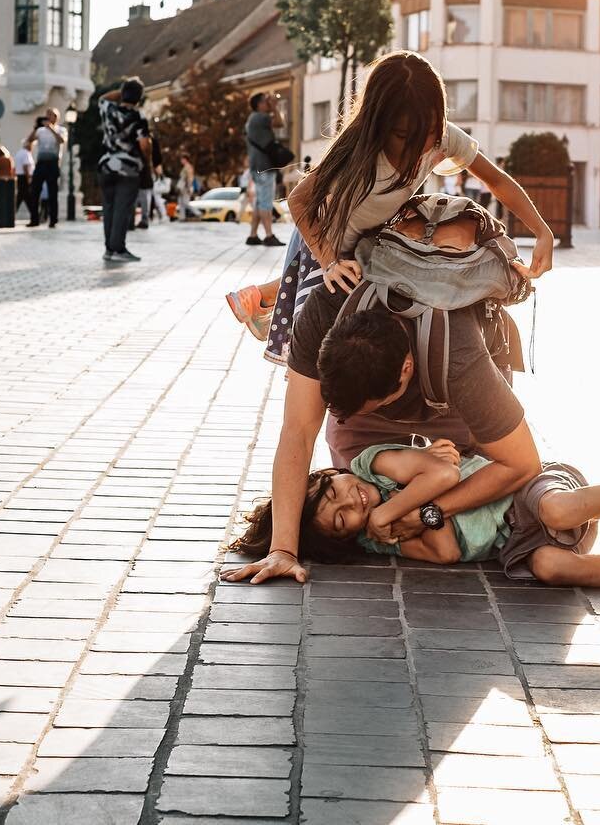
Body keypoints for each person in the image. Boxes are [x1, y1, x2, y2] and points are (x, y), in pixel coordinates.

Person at [221, 50, 556, 586]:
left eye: (427, 135)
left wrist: (541, 230)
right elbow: (298, 427)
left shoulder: (456, 344)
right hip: (336, 252)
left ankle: (276, 301)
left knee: (469, 460)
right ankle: (269, 305)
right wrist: (285, 547)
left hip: (393, 263)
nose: (421, 148)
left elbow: (497, 180)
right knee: (315, 299)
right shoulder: (356, 155)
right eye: (406, 136)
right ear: (379, 126)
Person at [231, 439, 600, 598]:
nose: (351, 504)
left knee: (556, 507)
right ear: (340, 542)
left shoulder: (373, 463)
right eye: (338, 521)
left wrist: (398, 511)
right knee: (547, 568)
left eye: (335, 493)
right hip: (515, 545)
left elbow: (445, 477)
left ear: (327, 475)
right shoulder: (376, 545)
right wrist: (396, 532)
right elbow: (448, 552)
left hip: (530, 487)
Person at [97, 77, 151, 263]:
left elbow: (103, 97)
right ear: (139, 98)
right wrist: (147, 160)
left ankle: (109, 249)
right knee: (122, 209)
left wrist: (122, 91)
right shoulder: (138, 116)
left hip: (105, 166)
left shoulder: (107, 108)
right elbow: (144, 144)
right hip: (128, 168)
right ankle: (118, 249)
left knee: (109, 208)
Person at [244, 92, 286, 247]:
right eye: (265, 101)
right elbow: (280, 123)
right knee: (265, 203)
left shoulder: (252, 120)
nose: (268, 103)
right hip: (265, 166)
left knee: (259, 202)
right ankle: (269, 235)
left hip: (256, 166)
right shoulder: (260, 117)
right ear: (259, 104)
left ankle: (253, 235)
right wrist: (274, 106)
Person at [27, 108, 66, 228]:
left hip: (53, 163)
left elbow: (61, 140)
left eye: (52, 115)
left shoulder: (61, 130)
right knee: (35, 191)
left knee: (52, 192)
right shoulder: (40, 131)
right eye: (47, 115)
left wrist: (51, 129)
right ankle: (34, 219)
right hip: (41, 162)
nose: (49, 117)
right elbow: (29, 140)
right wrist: (35, 128)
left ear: (56, 117)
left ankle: (53, 220)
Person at [13, 138, 37, 225]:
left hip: (20, 178)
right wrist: (29, 179)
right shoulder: (26, 153)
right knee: (28, 198)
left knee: (22, 198)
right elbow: (25, 167)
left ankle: (34, 217)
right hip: (25, 178)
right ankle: (35, 217)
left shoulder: (19, 153)